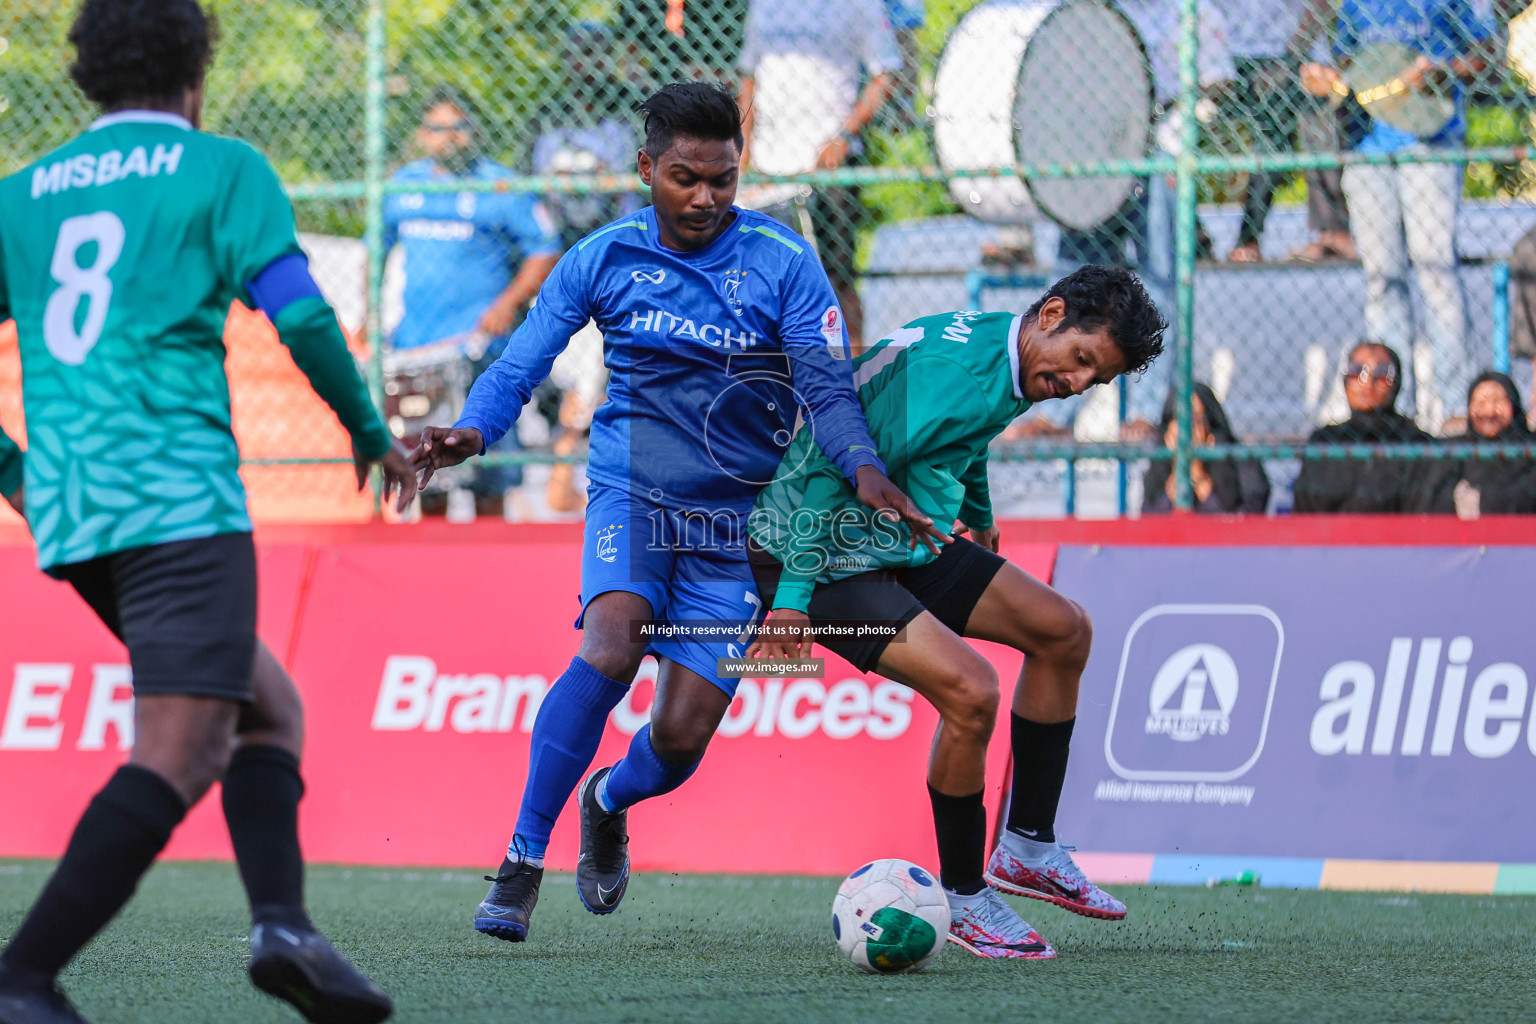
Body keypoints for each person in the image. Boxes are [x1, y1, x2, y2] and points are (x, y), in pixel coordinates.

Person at [408, 83, 937, 943]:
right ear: (648, 167)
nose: (705, 198)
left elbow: (827, 388)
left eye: (723, 180)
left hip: (740, 526)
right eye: (685, 177)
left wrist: (865, 469)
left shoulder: (784, 261)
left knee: (683, 737)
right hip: (632, 493)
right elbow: (521, 362)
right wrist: (474, 427)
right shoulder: (601, 257)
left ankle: (607, 801)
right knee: (612, 640)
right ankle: (520, 861)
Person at [0, 2, 415, 1022]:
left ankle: (285, 925)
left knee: (269, 707)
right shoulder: (222, 169)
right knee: (182, 749)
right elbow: (304, 312)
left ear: (85, 75)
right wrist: (368, 431)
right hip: (176, 496)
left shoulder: (18, 198)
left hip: (73, 506)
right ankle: (20, 977)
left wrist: (14, 471)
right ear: (199, 68)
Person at [734, 267, 1164, 958]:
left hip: (901, 532)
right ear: (1052, 313)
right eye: (1083, 360)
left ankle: (1026, 846)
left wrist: (980, 515)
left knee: (1063, 630)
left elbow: (966, 435)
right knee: (972, 690)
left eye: (1100, 378)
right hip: (817, 552)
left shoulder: (1008, 348)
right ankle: (964, 896)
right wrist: (789, 605)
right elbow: (822, 467)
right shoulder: (956, 370)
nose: (1081, 383)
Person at [1300, 0, 1496, 430]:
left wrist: (1444, 70)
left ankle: (1455, 408)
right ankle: (1393, 412)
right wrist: (1328, 78)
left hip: (1431, 142)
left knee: (1435, 270)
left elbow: (1487, 52)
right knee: (1382, 281)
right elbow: (1343, 61)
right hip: (1367, 149)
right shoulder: (1352, 5)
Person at [383, 87, 562, 518]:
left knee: (487, 476)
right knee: (430, 477)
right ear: (422, 135)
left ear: (475, 131)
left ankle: (489, 567)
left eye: (459, 127)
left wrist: (508, 303)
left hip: (481, 352)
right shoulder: (402, 185)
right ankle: (434, 573)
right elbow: (377, 251)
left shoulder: (500, 185)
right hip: (419, 352)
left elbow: (546, 249)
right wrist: (366, 315)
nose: (450, 137)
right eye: (438, 128)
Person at [737, 0, 904, 354]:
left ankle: (855, 378)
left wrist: (844, 136)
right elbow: (748, 80)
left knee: (836, 279)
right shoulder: (764, 5)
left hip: (828, 169)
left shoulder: (860, 5)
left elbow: (886, 74)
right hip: (770, 168)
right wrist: (742, 149)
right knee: (765, 283)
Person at [1292, 342, 1444, 511]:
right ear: (1344, 380)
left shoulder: (1416, 442)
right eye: (1357, 371)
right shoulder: (1325, 440)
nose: (1368, 382)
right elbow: (1305, 511)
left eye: (1381, 373)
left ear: (1396, 383)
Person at [1142, 382, 1272, 512]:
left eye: (1196, 419)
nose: (1187, 428)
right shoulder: (1158, 468)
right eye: (1179, 418)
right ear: (1167, 433)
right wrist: (1177, 479)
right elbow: (1148, 524)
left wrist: (1199, 478)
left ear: (1211, 429)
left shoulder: (1243, 461)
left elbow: (1246, 521)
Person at [1432, 371, 1536, 516]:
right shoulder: (1454, 451)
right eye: (1481, 402)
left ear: (1514, 405)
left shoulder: (1530, 448)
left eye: (1498, 401)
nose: (1490, 411)